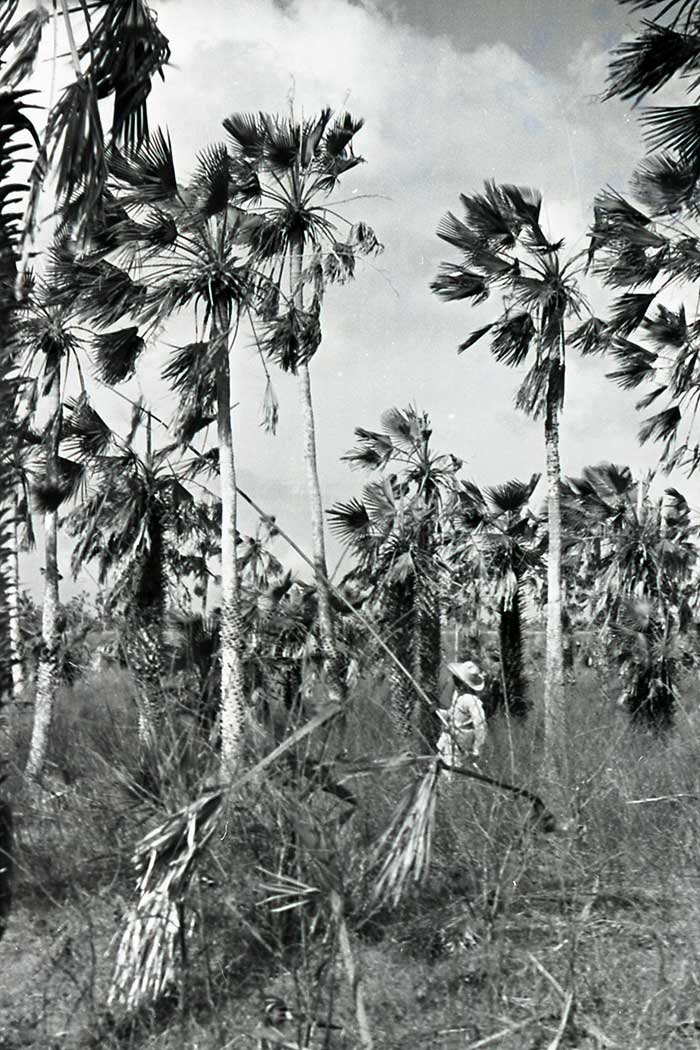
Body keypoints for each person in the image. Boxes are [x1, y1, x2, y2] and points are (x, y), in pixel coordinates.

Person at [436, 660, 487, 776]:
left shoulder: (472, 700)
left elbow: (481, 725)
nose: (454, 679)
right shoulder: (458, 695)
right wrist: (437, 711)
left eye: (457, 678)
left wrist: (477, 750)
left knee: (452, 772)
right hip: (448, 739)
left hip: (461, 741)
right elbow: (452, 714)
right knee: (440, 769)